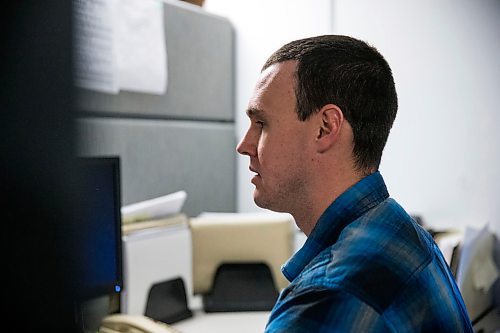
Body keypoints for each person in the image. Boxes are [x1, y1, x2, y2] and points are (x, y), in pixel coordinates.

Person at [236, 35, 473, 332]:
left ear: (325, 128)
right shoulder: (402, 231)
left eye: (261, 123)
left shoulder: (332, 293)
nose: (244, 145)